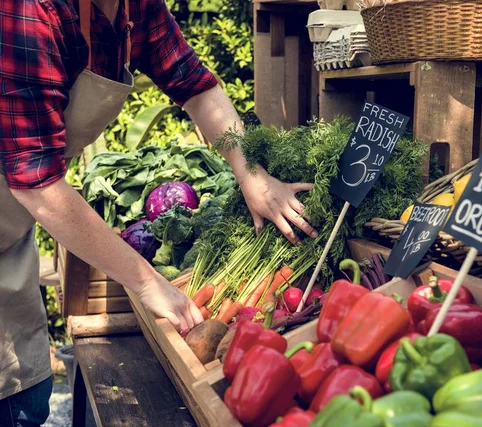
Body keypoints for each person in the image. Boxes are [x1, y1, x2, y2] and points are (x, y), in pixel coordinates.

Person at [0, 0, 317, 425]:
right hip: (23, 197)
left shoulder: (137, 8)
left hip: (9, 229)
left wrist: (250, 173)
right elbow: (38, 183)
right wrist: (147, 282)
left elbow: (198, 88)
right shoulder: (29, 12)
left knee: (27, 398)